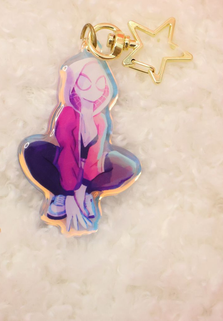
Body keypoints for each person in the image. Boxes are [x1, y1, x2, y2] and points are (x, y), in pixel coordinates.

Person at [20, 53, 140, 234]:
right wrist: (70, 193)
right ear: (73, 85)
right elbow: (67, 154)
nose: (93, 90)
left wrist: (82, 190)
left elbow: (95, 158)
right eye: (85, 83)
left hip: (89, 174)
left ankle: (87, 195)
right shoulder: (67, 114)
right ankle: (60, 194)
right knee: (32, 151)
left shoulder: (100, 120)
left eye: (99, 83)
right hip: (63, 166)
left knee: (128, 166)